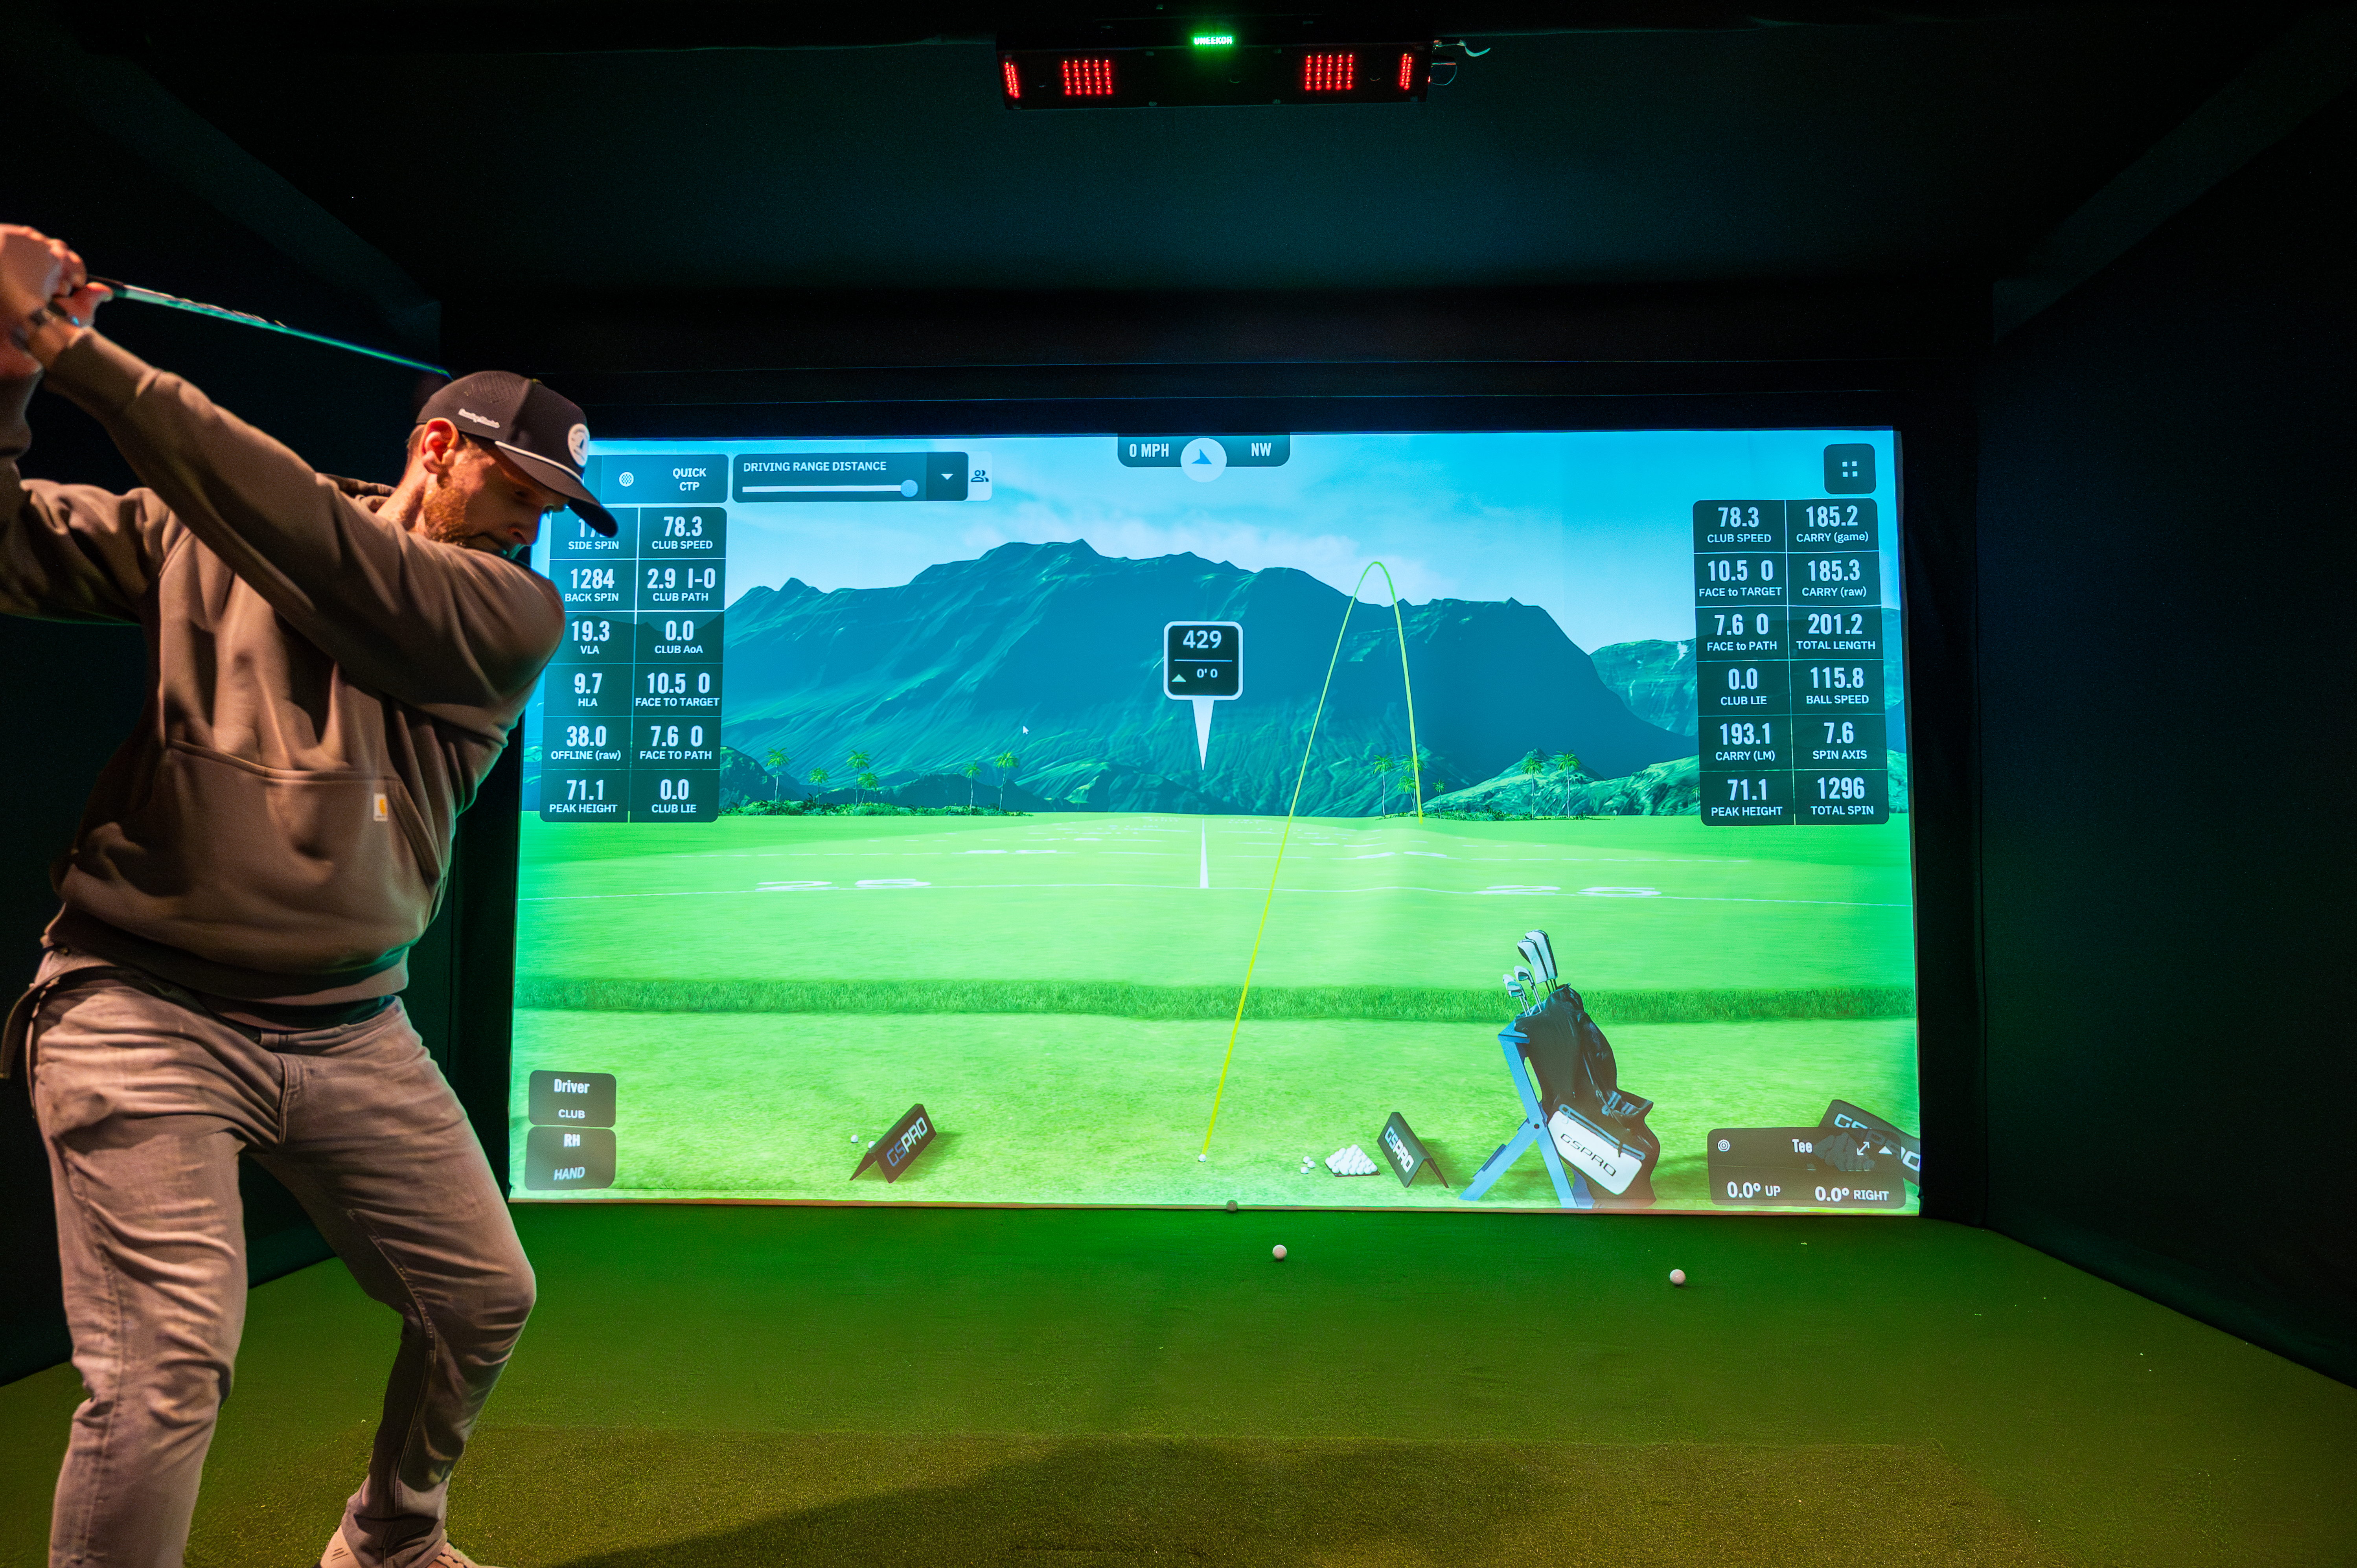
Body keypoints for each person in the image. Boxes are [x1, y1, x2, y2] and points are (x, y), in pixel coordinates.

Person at [0, 222, 613, 1568]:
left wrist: (76, 349)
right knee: (165, 1371)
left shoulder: (508, 618)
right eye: (517, 490)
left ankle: (393, 1538)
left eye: (553, 514)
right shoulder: (201, 525)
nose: (533, 529)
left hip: (353, 1030)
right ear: (438, 446)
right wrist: (13, 376)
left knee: (479, 1300)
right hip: (141, 1010)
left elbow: (331, 560)